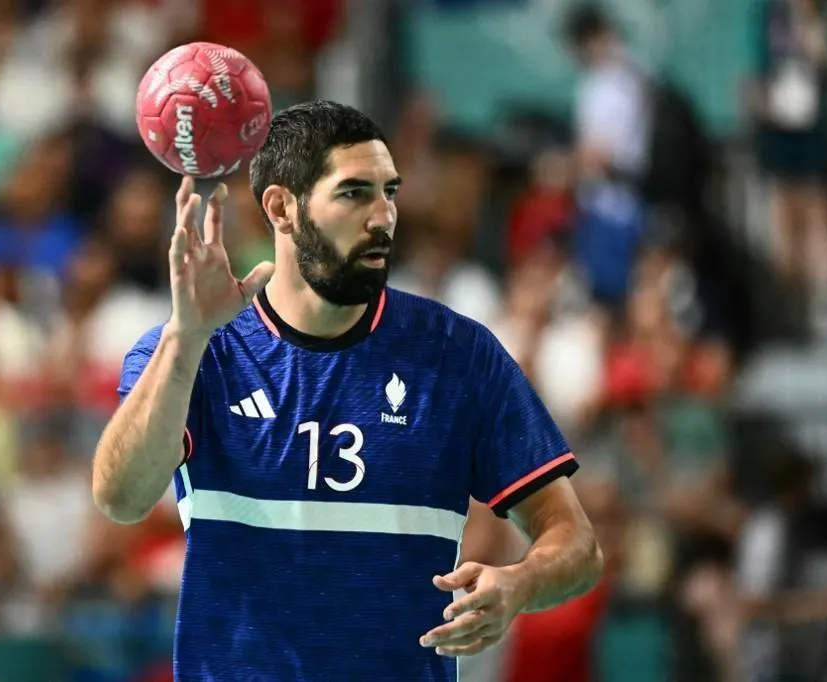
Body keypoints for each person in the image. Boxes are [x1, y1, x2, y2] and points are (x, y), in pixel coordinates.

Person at [91, 100, 602, 681]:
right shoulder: (196, 351)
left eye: (390, 192)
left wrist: (520, 583)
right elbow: (122, 498)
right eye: (354, 193)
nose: (383, 216)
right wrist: (186, 337)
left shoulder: (459, 356)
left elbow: (577, 544)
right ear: (282, 208)